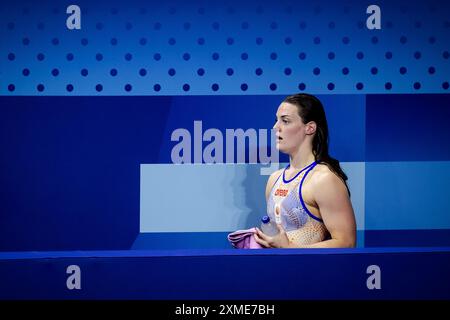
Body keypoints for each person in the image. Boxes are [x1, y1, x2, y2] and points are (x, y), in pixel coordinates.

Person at [254, 93, 356, 248]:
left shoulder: (324, 179)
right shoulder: (274, 180)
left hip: (314, 272)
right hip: (279, 271)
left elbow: (346, 242)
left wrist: (289, 249)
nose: (275, 128)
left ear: (310, 128)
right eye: (276, 120)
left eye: (285, 121)